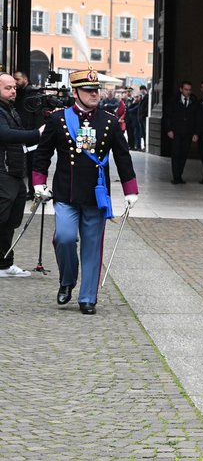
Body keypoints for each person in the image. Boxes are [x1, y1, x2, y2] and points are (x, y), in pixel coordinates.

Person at [31, 68, 138, 313]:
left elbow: (123, 156)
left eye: (96, 90)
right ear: (76, 92)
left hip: (95, 194)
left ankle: (88, 297)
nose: (94, 94)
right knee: (64, 238)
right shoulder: (58, 119)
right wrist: (38, 182)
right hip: (66, 193)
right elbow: (43, 153)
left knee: (92, 246)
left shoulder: (109, 121)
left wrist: (130, 189)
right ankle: (67, 280)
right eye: (88, 90)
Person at [0, 73, 42, 277]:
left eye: (14, 88)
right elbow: (6, 134)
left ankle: (5, 264)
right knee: (2, 218)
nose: (13, 91)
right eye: (7, 88)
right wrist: (37, 133)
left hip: (15, 172)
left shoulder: (10, 109)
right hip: (3, 172)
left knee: (12, 220)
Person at [164, 80, 200, 184]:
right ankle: (176, 176)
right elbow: (167, 116)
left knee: (184, 154)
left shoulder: (194, 101)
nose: (188, 92)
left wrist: (196, 133)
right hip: (176, 132)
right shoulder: (173, 101)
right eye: (185, 89)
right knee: (175, 153)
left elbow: (198, 118)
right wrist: (169, 130)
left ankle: (179, 175)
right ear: (181, 89)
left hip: (188, 133)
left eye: (189, 90)